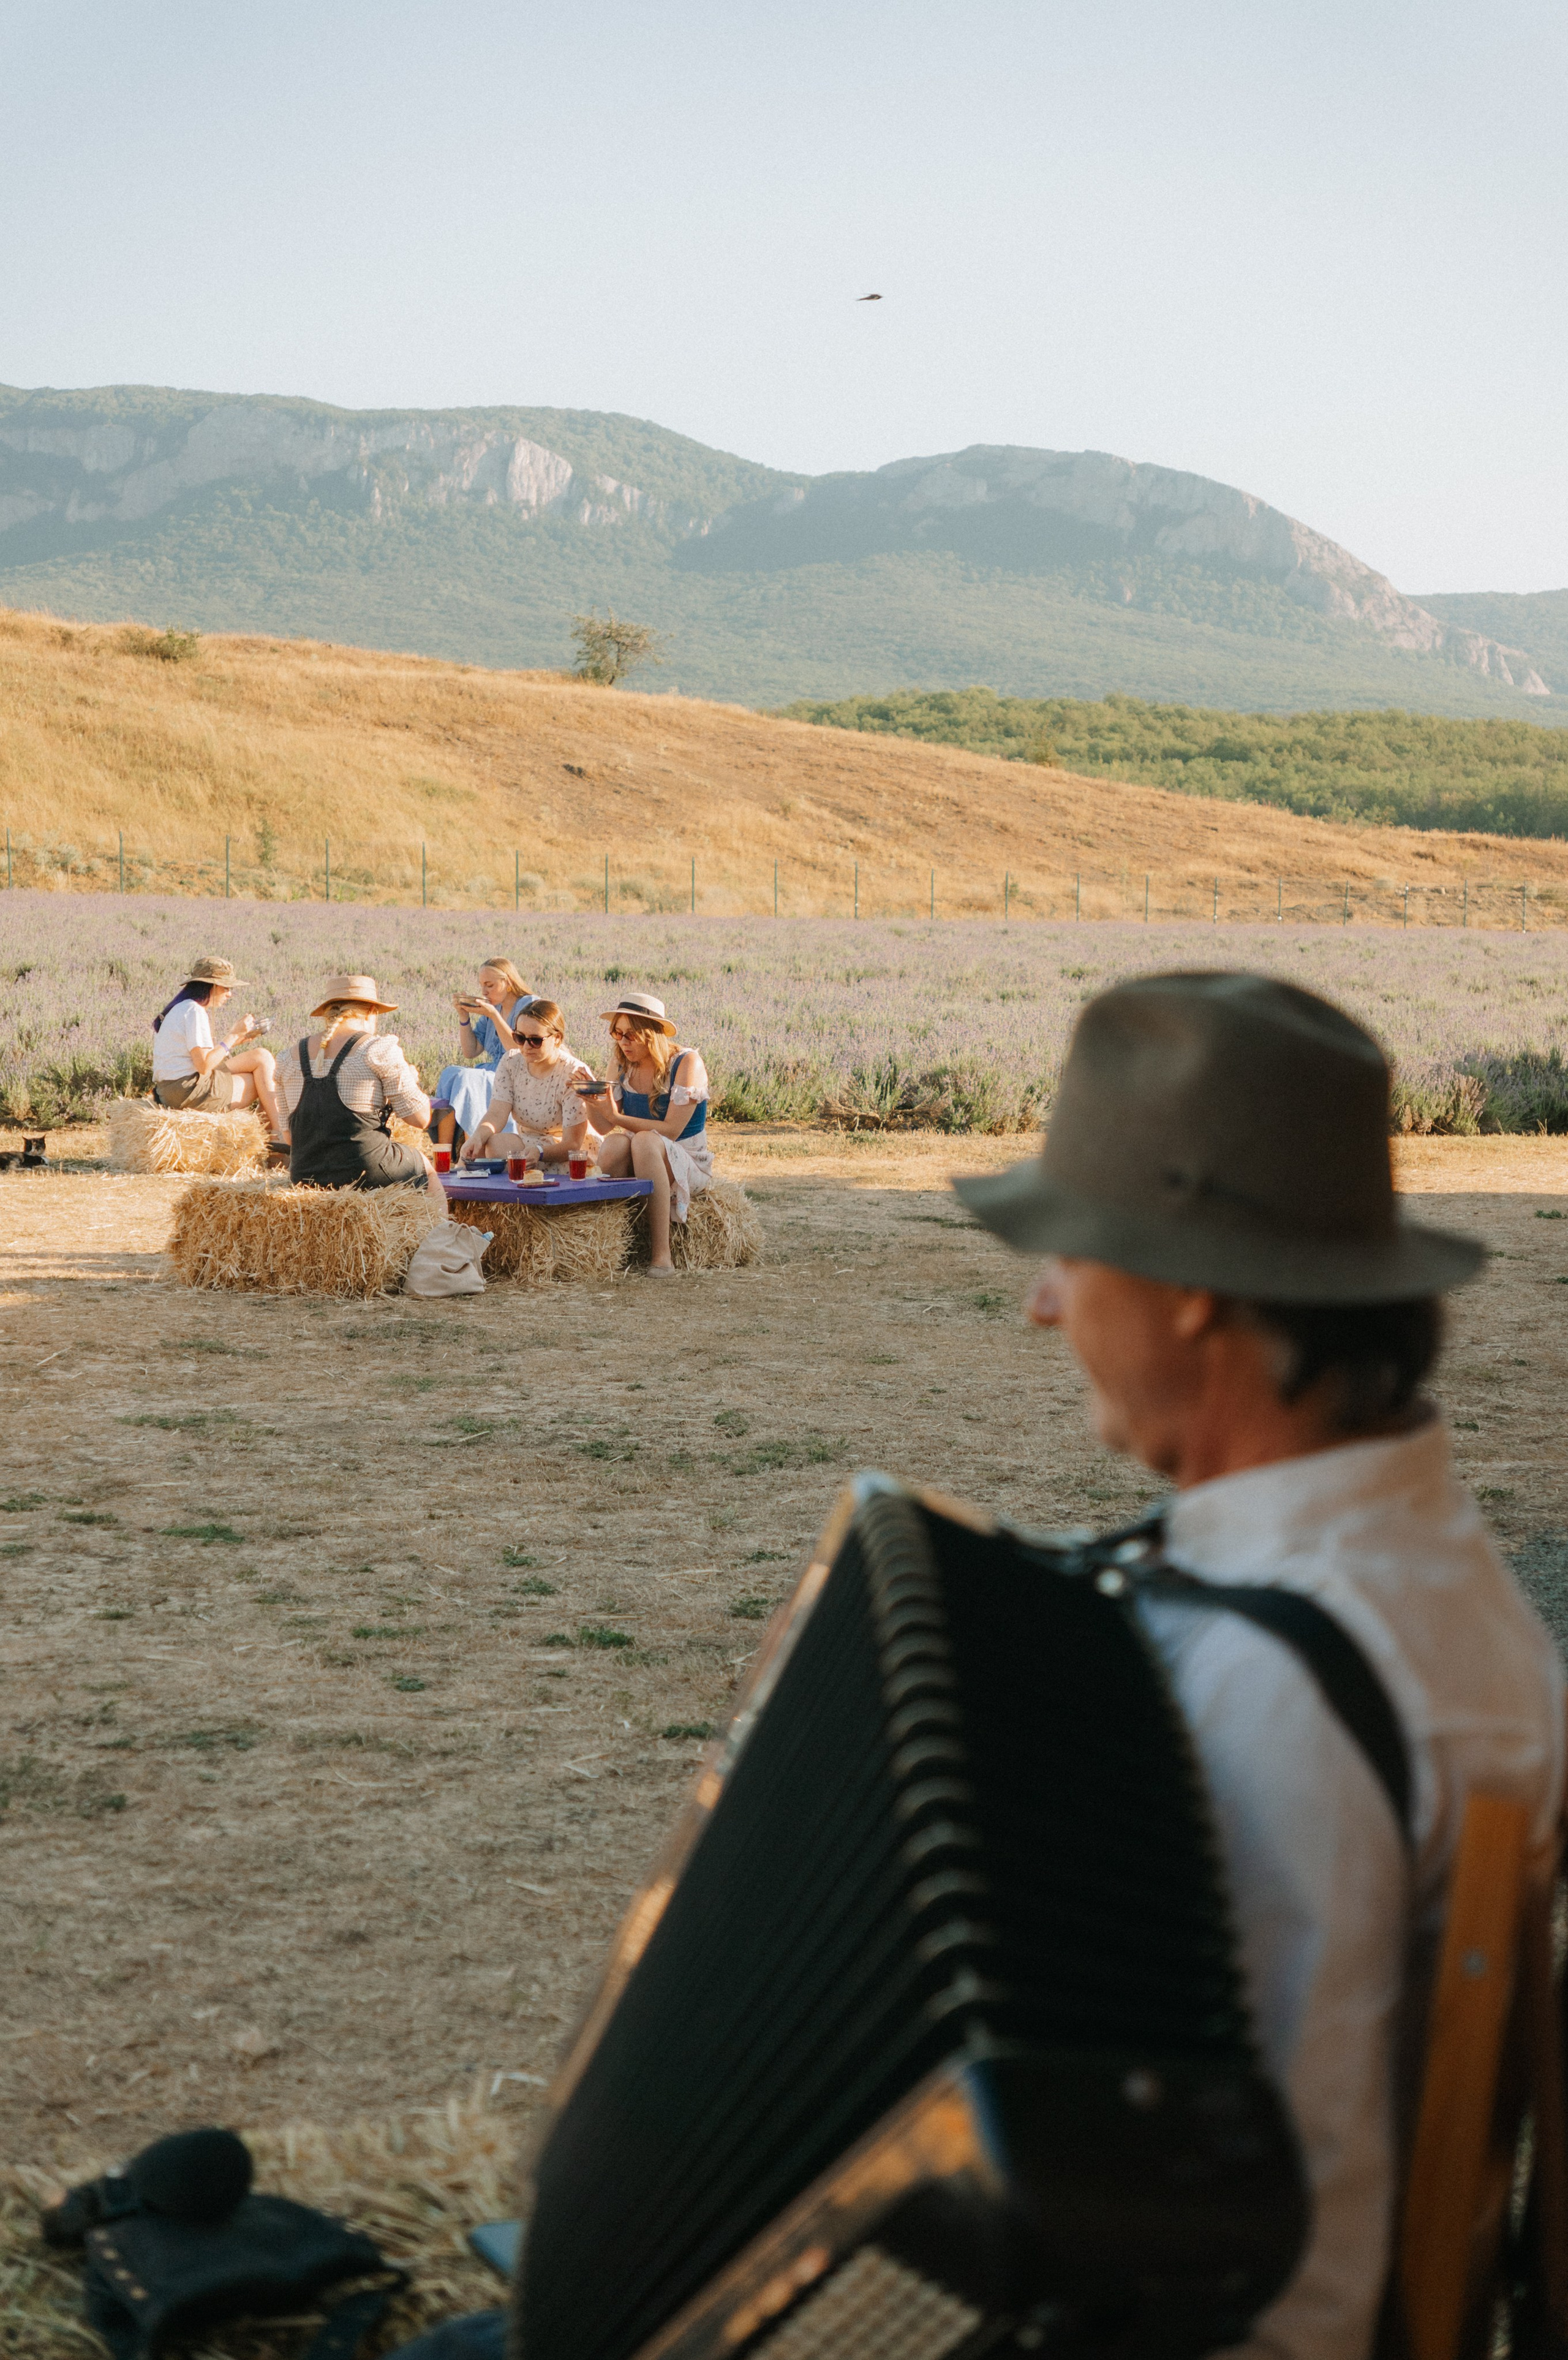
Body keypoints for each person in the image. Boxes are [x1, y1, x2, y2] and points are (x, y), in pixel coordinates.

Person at [952, 970, 1564, 2360]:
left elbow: (1285, 2300)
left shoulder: (1265, 1695)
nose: (1041, 1304)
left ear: (1186, 1293)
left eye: (1068, 1253)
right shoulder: (1426, 1580)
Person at [276, 974, 445, 1205]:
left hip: (305, 1175)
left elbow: (289, 1137)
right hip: (365, 1171)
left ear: (327, 1014)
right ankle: (442, 1228)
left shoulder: (287, 1058)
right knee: (425, 1167)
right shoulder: (377, 1050)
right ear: (372, 1012)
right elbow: (421, 1119)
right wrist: (410, 1080)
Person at [590, 993, 712, 1274]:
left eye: (631, 1035)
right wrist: (589, 1100)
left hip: (685, 1157)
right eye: (617, 1033)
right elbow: (604, 1127)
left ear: (652, 1034)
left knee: (645, 1141)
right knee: (613, 1144)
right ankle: (606, 1246)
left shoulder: (686, 1063)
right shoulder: (621, 1062)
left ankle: (662, 1256)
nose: (623, 1042)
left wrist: (617, 1117)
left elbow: (672, 1130)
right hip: (642, 1151)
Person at [150, 954, 289, 1146]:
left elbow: (196, 1059)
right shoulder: (195, 1012)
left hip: (173, 1089)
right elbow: (204, 1065)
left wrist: (237, 1040)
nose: (230, 994)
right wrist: (233, 1034)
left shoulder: (182, 1008)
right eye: (226, 987)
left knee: (262, 1057)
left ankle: (274, 1138)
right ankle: (281, 1138)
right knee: (262, 1080)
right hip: (188, 1091)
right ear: (211, 985)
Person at [459, 1000, 593, 1167]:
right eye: (520, 1038)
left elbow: (573, 1144)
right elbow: (497, 1114)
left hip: (567, 1153)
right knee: (488, 1145)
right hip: (528, 1144)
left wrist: (541, 1152)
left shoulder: (573, 1073)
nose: (527, 1046)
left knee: (500, 1154)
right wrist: (477, 1137)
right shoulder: (511, 1062)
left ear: (557, 1039)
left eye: (535, 1040)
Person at [432, 958, 533, 1154]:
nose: (484, 992)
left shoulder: (528, 1005)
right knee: (450, 1073)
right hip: (493, 1071)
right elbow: (471, 1052)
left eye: (490, 985)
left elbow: (518, 1051)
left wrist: (493, 1015)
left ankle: (474, 1153)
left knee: (468, 1079)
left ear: (508, 982)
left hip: (517, 1071)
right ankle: (444, 1154)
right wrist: (464, 1017)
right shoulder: (495, 1007)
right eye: (481, 985)